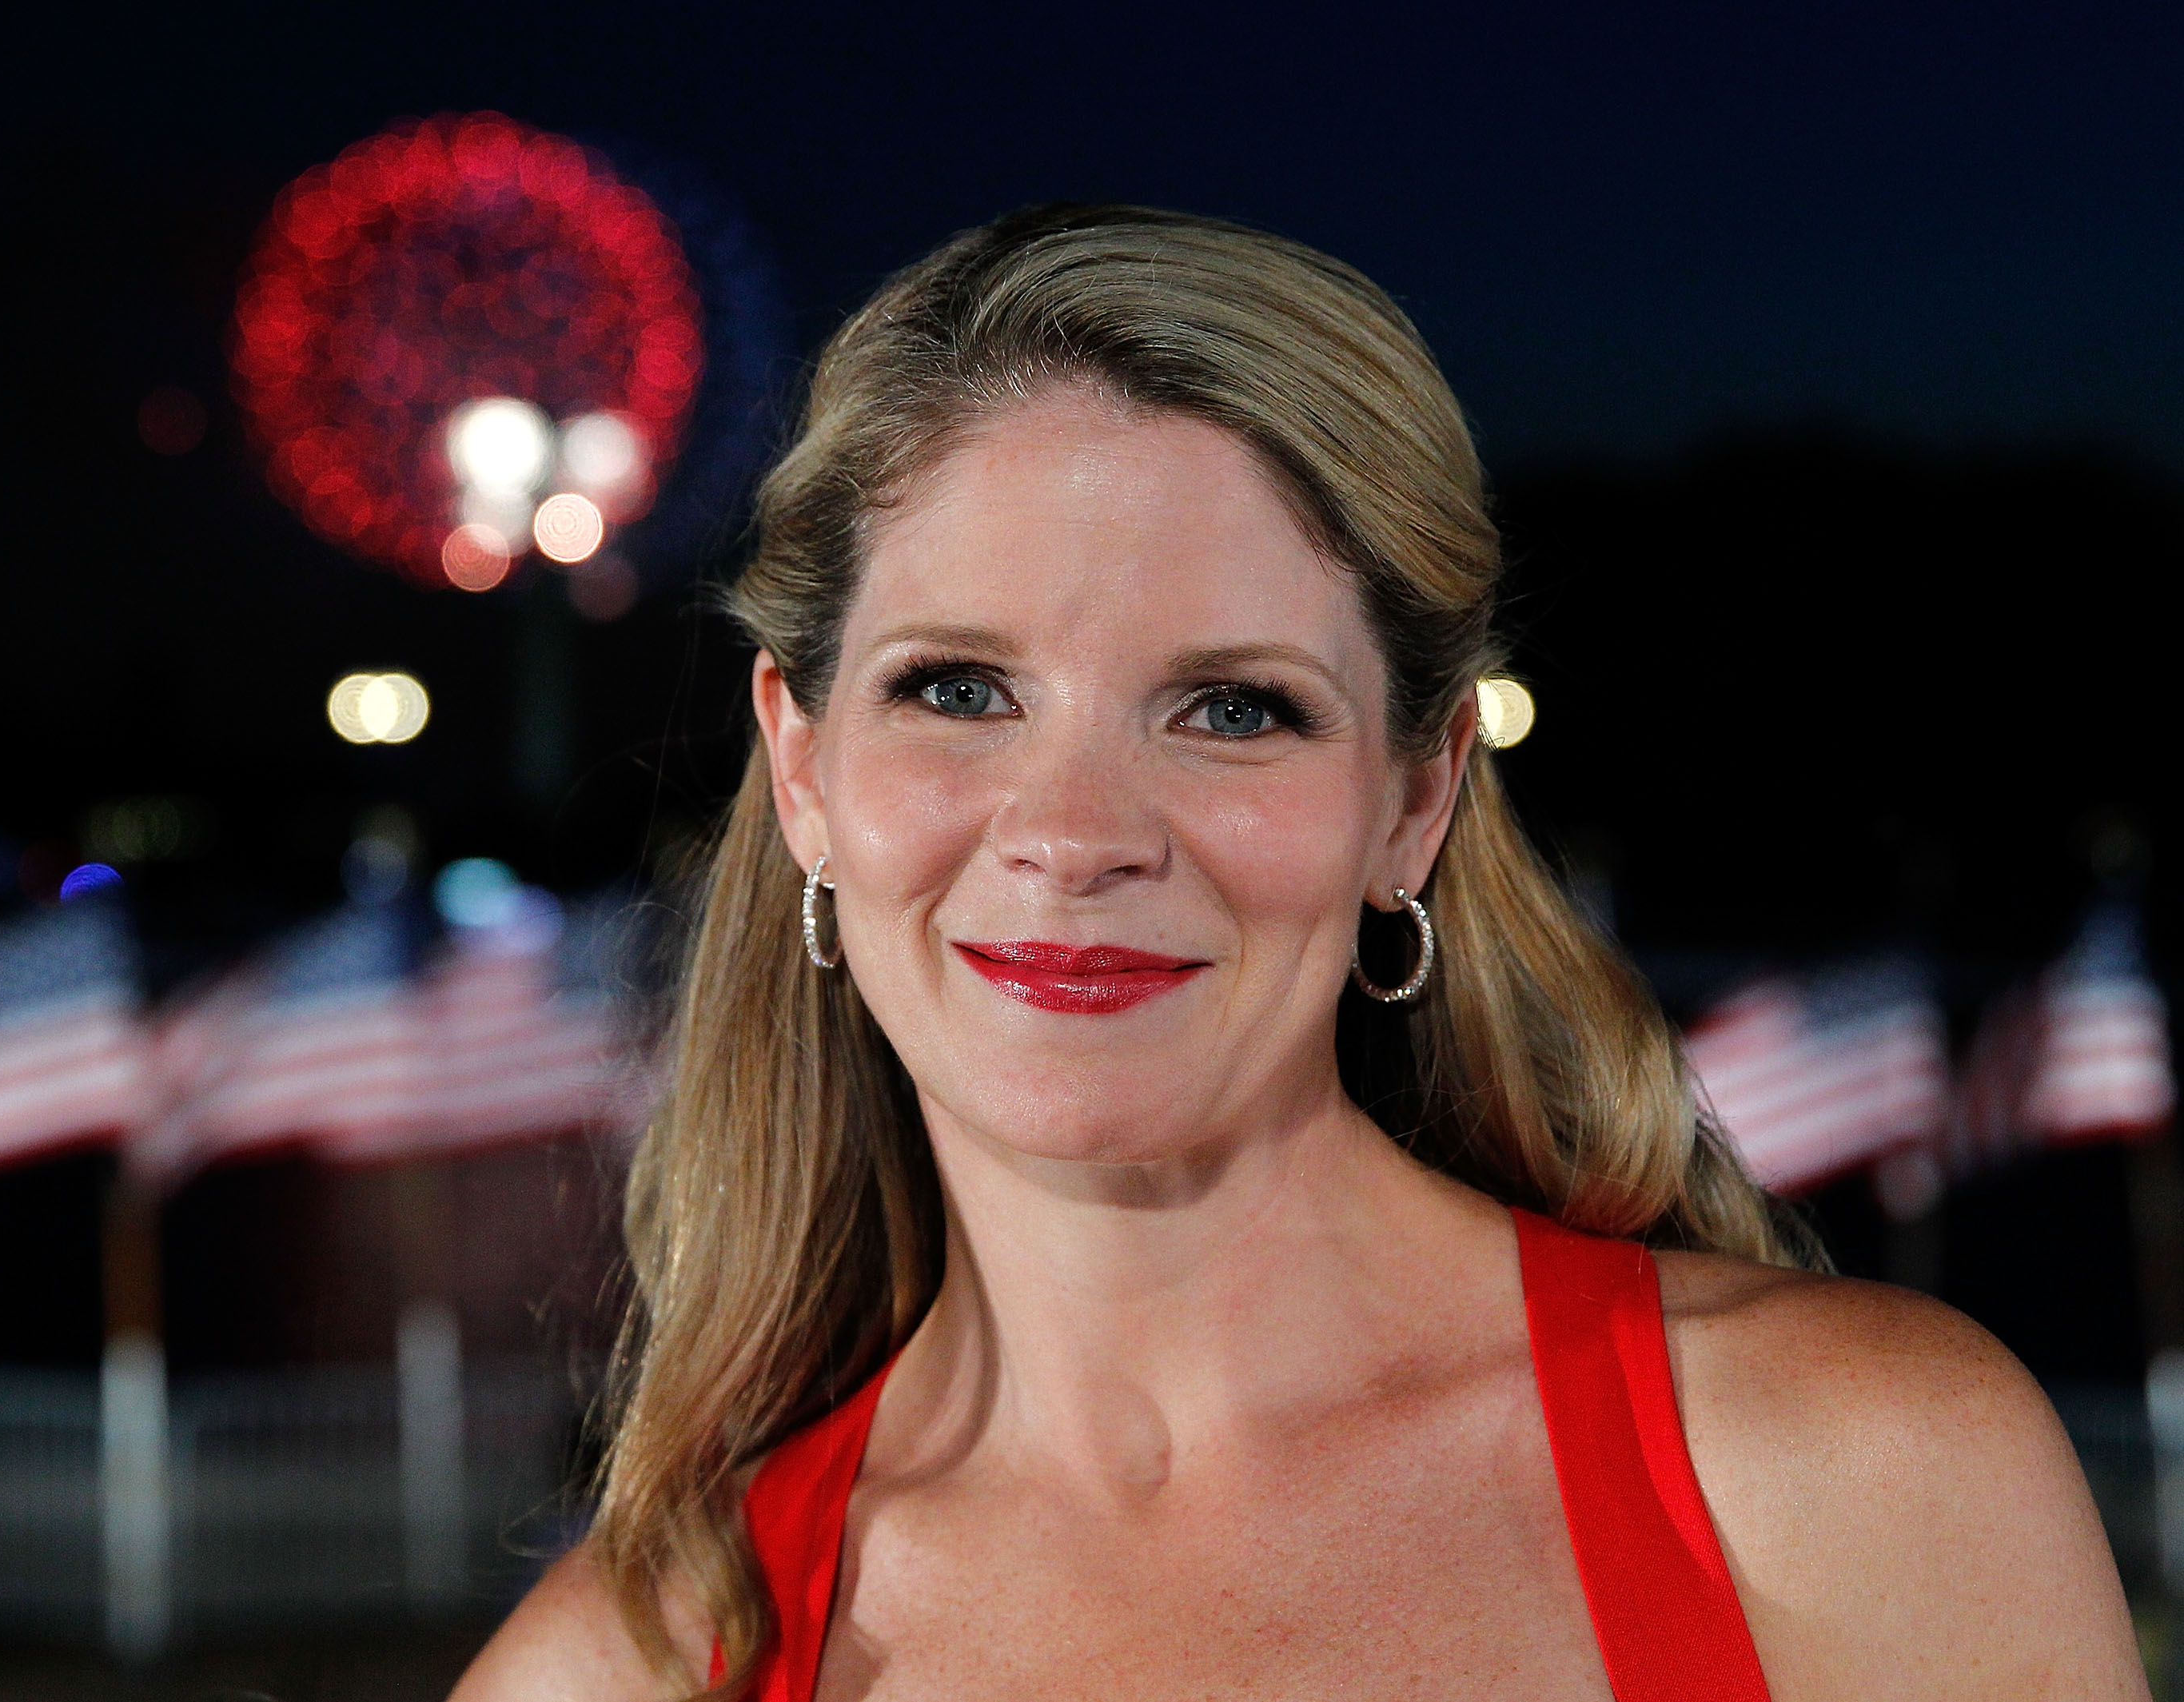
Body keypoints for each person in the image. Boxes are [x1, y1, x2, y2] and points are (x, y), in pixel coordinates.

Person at [456, 205, 2142, 1700]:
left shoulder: (1854, 1484)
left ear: (1415, 800)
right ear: (805, 768)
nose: (1077, 831)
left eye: (1234, 708)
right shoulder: (639, 1668)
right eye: (958, 689)